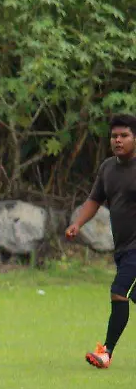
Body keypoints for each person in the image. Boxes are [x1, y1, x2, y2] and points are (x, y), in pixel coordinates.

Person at [65, 114, 136, 369]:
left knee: (119, 292)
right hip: (124, 248)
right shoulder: (108, 168)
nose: (118, 140)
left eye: (124, 135)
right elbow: (95, 199)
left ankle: (106, 352)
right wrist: (78, 223)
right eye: (114, 136)